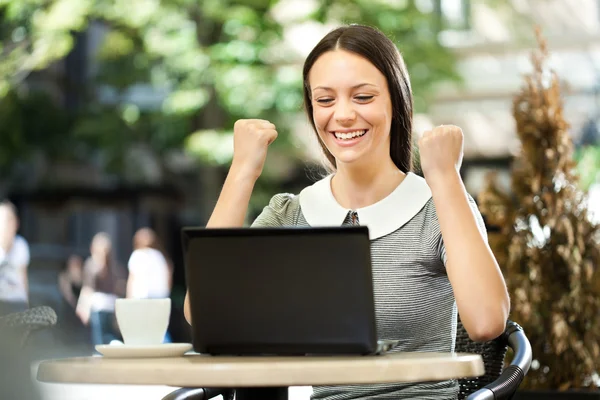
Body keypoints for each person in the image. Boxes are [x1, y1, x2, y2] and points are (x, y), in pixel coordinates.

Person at [184, 24, 510, 399]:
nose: (342, 115)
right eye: (325, 100)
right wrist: (242, 171)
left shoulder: (438, 208)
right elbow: (204, 312)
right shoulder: (291, 214)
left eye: (363, 97)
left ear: (396, 99)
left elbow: (487, 322)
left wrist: (446, 178)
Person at [76, 232, 125, 346]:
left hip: (98, 305)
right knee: (110, 334)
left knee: (98, 340)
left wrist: (82, 306)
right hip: (112, 305)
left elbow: (88, 289)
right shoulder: (115, 267)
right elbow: (119, 289)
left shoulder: (92, 265)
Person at [0, 200, 31, 316]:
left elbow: (23, 278)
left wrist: (26, 307)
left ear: (16, 223)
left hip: (16, 303)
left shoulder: (21, 245)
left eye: (8, 221)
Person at [126, 227, 171, 300]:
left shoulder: (138, 254)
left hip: (142, 297)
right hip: (161, 296)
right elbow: (168, 276)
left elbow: (132, 278)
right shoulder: (160, 256)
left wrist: (128, 297)